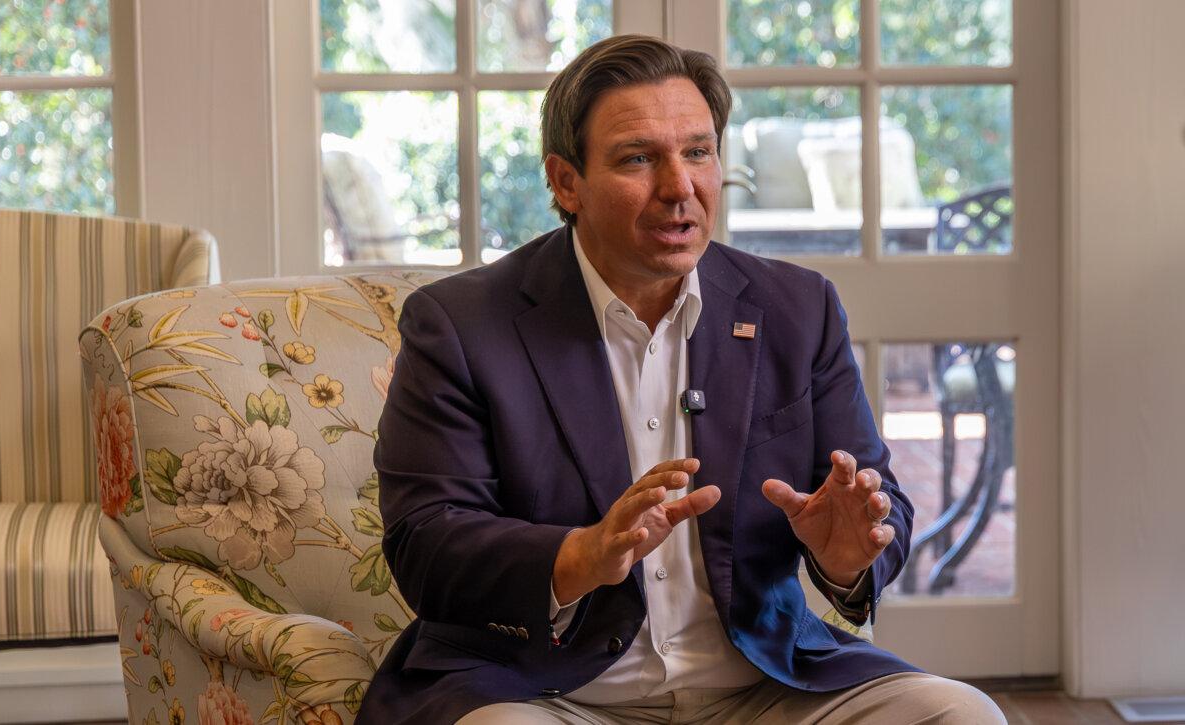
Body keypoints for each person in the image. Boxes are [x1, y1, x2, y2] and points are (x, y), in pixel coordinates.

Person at [358, 34, 1004, 725]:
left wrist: (846, 560)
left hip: (765, 687)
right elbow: (426, 543)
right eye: (638, 159)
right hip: (549, 694)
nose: (679, 188)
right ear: (565, 180)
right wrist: (577, 555)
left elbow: (878, 507)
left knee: (960, 714)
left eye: (698, 152)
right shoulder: (462, 325)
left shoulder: (797, 308)